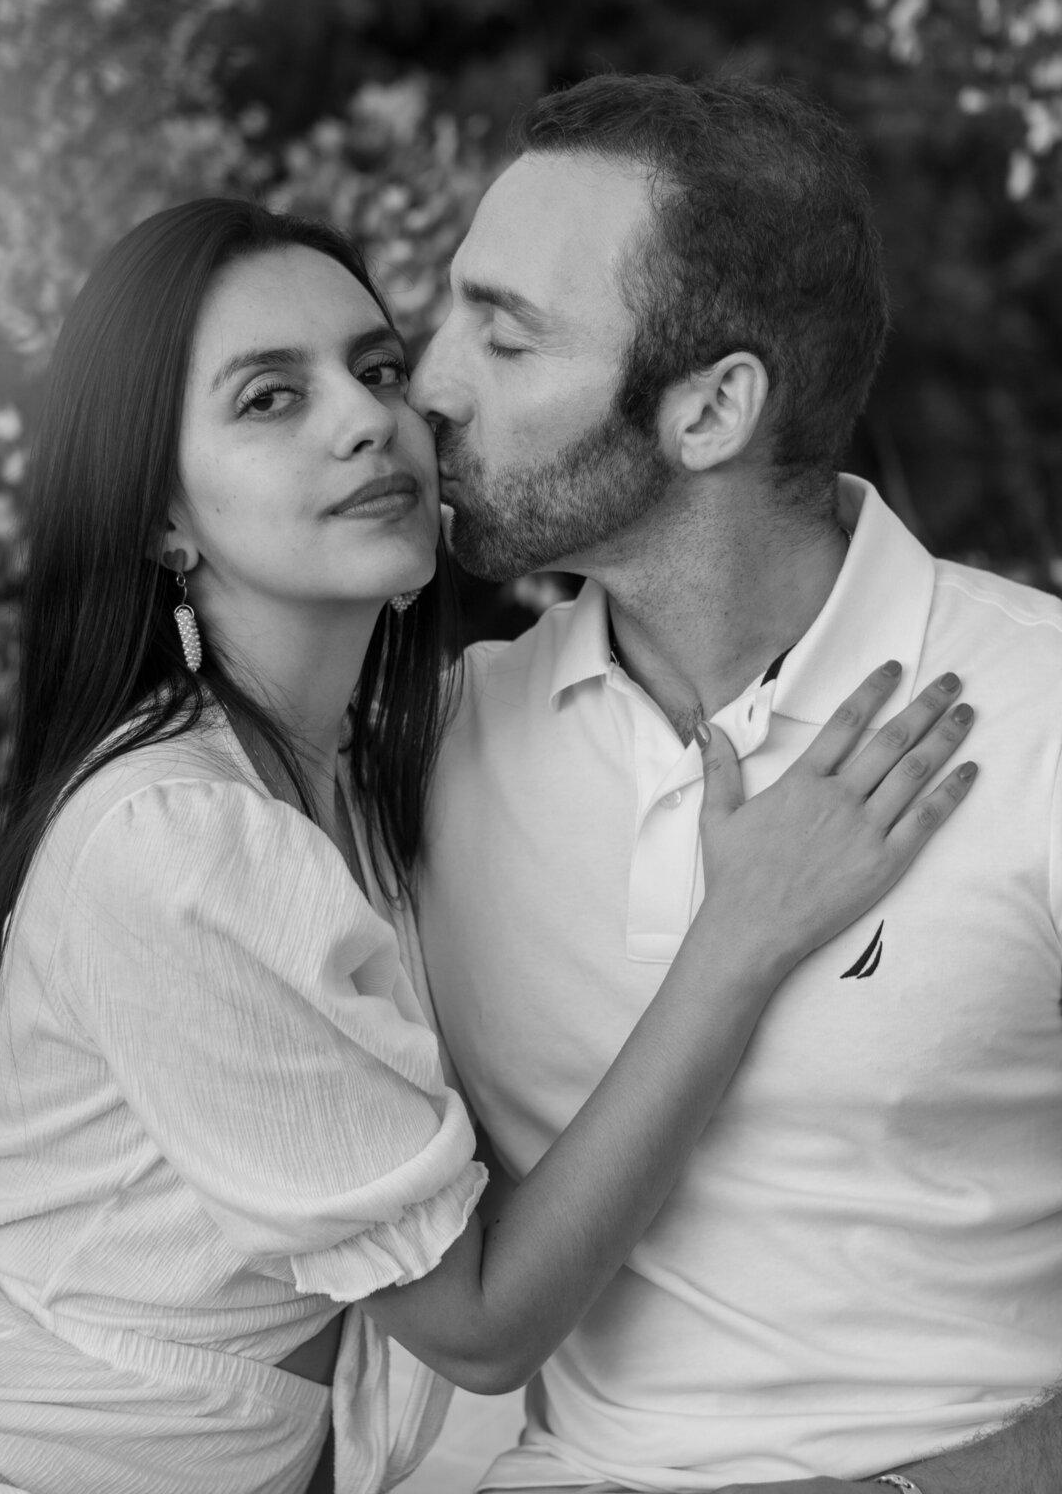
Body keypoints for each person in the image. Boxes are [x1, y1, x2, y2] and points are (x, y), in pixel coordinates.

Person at [0, 200, 971, 1494]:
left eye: (377, 369)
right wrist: (740, 937)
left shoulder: (373, 775)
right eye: (269, 399)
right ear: (165, 521)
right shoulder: (179, 839)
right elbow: (480, 1323)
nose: (364, 418)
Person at [410, 72, 1062, 1494]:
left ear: (711, 411)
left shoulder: (1043, 717)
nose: (431, 383)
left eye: (505, 339)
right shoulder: (437, 747)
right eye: (451, 310)